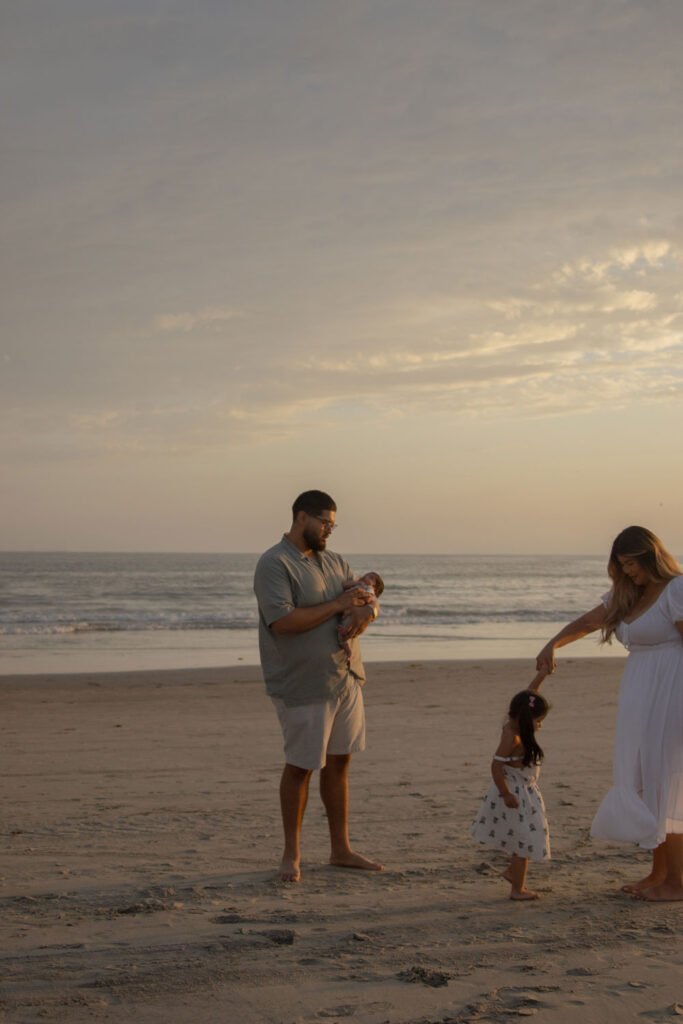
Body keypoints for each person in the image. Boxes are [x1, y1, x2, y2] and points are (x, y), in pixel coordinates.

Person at [536, 525, 683, 902]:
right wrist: (554, 643)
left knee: (669, 781)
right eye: (621, 565)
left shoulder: (676, 590)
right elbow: (588, 623)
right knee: (646, 779)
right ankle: (658, 872)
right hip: (639, 693)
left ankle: (677, 883)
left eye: (631, 564)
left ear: (650, 557)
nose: (627, 572)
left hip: (672, 693)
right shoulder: (628, 596)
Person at [253, 489, 384, 883]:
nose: (329, 530)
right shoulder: (274, 564)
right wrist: (339, 606)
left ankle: (340, 849)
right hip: (303, 683)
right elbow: (283, 622)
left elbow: (364, 596)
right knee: (301, 767)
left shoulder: (335, 561)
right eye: (324, 522)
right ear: (301, 518)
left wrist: (367, 608)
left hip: (345, 677)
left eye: (333, 524)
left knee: (340, 762)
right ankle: (291, 855)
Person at [469, 682, 551, 901]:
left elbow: (528, 695)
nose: (540, 726)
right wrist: (506, 794)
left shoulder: (515, 725)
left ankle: (512, 873)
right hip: (516, 795)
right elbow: (496, 765)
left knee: (526, 837)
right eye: (538, 721)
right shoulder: (512, 737)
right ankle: (518, 889)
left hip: (526, 793)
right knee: (523, 842)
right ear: (526, 719)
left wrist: (541, 676)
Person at [338, 572, 384, 665]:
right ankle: (347, 649)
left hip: (352, 613)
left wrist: (369, 607)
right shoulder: (357, 583)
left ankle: (348, 649)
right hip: (344, 609)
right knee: (343, 631)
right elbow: (343, 585)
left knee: (347, 628)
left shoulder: (369, 589)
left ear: (374, 588)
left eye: (370, 577)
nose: (365, 576)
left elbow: (372, 602)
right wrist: (356, 583)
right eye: (366, 574)